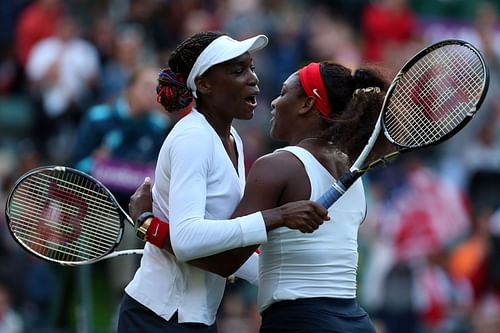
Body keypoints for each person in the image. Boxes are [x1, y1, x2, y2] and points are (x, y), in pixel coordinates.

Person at [128, 57, 391, 332]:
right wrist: (240, 266)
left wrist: (148, 223)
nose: (274, 102)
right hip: (355, 321)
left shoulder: (278, 166)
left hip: (301, 322)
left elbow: (222, 260)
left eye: (284, 92)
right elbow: (288, 264)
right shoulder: (352, 175)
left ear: (307, 104)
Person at [117, 31, 329, 333]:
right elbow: (187, 239)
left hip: (197, 318)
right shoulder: (193, 138)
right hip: (158, 317)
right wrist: (278, 216)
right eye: (238, 71)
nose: (253, 79)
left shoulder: (233, 140)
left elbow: (222, 248)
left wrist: (303, 286)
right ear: (204, 84)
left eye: (252, 67)